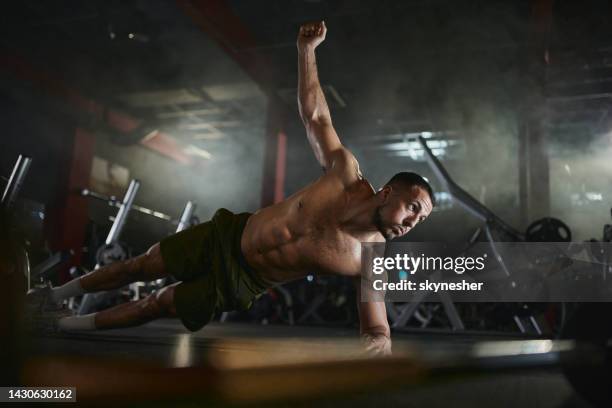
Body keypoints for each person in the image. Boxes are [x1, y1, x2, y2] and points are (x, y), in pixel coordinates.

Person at [28, 21, 434, 356]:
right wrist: (306, 50)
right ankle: (51, 295)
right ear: (387, 192)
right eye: (413, 207)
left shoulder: (370, 263)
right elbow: (315, 116)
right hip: (231, 235)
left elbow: (377, 325)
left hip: (246, 281)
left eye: (422, 218)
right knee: (143, 265)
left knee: (160, 303)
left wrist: (378, 344)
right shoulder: (345, 174)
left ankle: (62, 323)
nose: (413, 221)